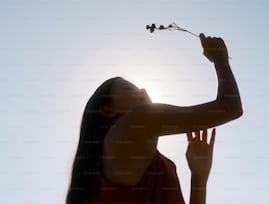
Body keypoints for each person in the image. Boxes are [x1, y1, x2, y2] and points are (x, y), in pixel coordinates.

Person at [65, 33, 243, 204]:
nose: (142, 90)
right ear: (108, 110)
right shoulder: (136, 122)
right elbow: (229, 108)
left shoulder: (159, 164)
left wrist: (199, 176)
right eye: (128, 89)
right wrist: (220, 60)